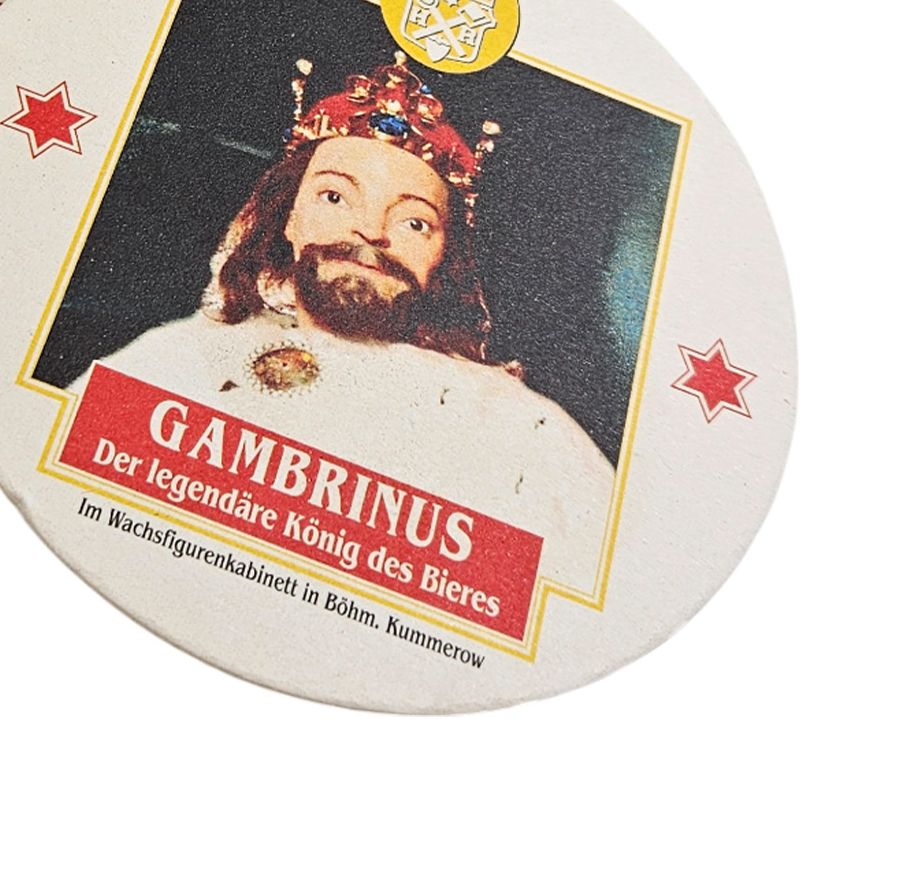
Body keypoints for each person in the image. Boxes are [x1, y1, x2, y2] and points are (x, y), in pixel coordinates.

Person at [79, 54, 614, 594]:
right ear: (288, 219)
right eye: (335, 197)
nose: (370, 231)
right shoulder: (176, 360)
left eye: (413, 221)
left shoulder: (518, 428)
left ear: (443, 259)